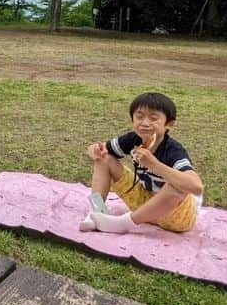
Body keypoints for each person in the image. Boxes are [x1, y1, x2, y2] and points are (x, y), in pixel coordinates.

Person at [78, 92, 204, 234]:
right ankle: (96, 213)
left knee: (177, 187)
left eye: (153, 118)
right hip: (142, 203)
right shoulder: (133, 139)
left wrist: (154, 164)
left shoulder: (173, 150)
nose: (145, 123)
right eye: (139, 116)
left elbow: (197, 187)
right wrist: (95, 151)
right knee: (104, 158)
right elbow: (96, 149)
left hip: (174, 216)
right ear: (132, 120)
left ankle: (123, 224)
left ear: (169, 124)